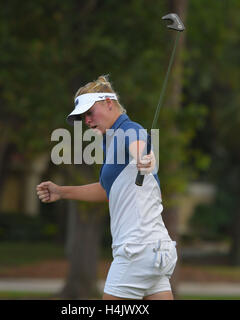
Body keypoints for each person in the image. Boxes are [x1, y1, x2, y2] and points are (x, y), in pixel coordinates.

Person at [36, 75, 177, 300]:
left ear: (108, 103)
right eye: (84, 117)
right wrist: (62, 192)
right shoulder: (110, 141)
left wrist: (145, 158)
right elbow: (106, 190)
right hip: (157, 251)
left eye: (90, 113)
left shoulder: (128, 130)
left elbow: (140, 147)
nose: (88, 121)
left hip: (136, 250)